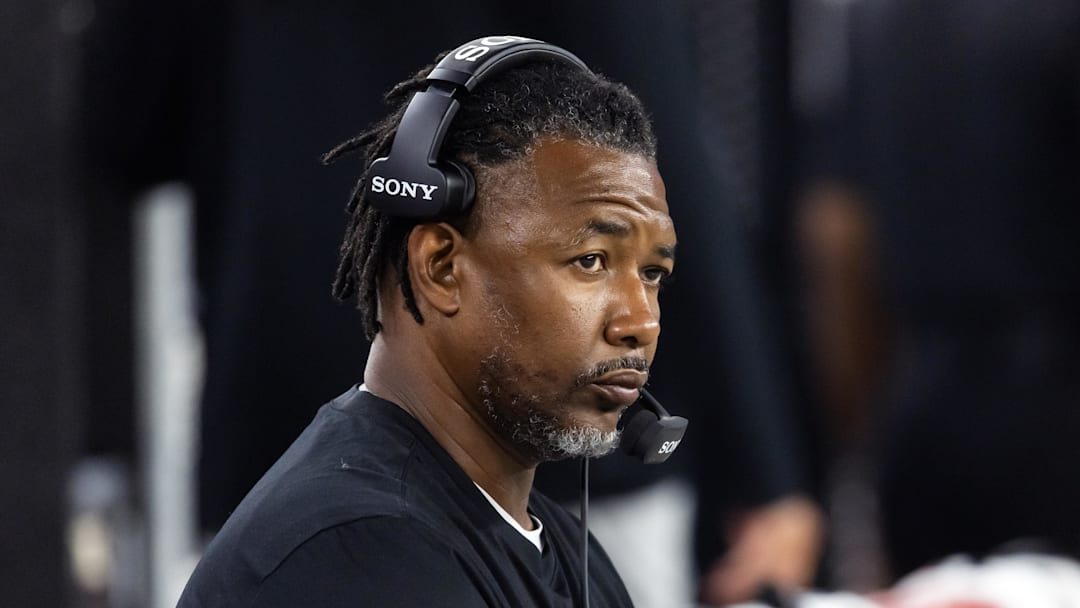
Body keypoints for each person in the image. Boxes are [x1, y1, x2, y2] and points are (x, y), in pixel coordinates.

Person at [178, 36, 676, 606]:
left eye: (653, 274)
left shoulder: (559, 547)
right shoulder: (358, 555)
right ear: (441, 267)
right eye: (590, 262)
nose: (641, 321)